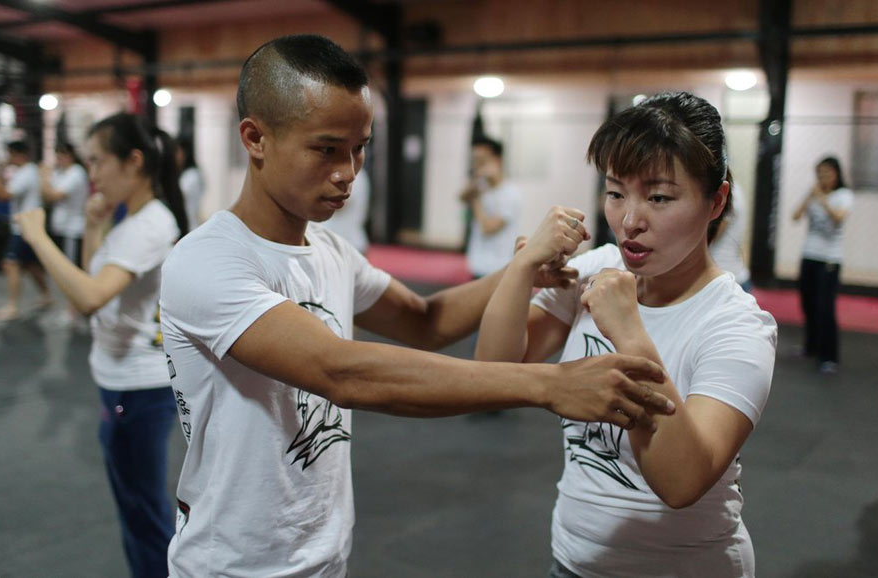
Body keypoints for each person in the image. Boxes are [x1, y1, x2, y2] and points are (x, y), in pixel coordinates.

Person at [159, 34, 675, 578]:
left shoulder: (331, 250)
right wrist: (550, 384)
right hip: (231, 565)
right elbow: (343, 373)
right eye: (327, 149)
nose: (348, 172)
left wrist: (520, 271)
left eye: (360, 149)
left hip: (321, 555)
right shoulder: (207, 263)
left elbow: (426, 322)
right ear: (255, 137)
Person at [476, 92, 777, 577]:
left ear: (715, 201)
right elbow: (493, 376)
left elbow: (681, 483)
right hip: (573, 560)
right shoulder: (596, 271)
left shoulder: (738, 326)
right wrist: (523, 266)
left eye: (659, 197)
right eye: (616, 193)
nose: (630, 221)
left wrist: (630, 334)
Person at [12, 112, 189, 578]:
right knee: (136, 513)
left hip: (140, 390)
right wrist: (95, 226)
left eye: (97, 162)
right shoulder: (131, 219)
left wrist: (37, 234)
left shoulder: (151, 223)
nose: (90, 176)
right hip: (121, 385)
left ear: (133, 162)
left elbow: (89, 299)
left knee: (146, 518)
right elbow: (92, 282)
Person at [792, 156, 853, 374]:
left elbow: (838, 218)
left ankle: (829, 357)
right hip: (809, 255)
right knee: (808, 304)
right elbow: (795, 216)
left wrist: (822, 199)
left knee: (825, 308)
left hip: (829, 259)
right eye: (820, 173)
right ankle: (811, 347)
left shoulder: (844, 196)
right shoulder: (814, 194)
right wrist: (810, 196)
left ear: (837, 174)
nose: (823, 178)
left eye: (827, 173)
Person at [0, 139, 52, 321]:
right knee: (31, 265)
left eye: (11, 154)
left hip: (24, 227)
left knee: (10, 264)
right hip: (25, 226)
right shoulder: (24, 172)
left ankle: (13, 305)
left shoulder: (27, 173)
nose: (9, 158)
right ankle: (47, 295)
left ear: (20, 155)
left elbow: (2, 195)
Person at [41, 141, 90, 325]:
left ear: (69, 155)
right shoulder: (62, 173)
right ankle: (74, 308)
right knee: (65, 271)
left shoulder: (76, 173)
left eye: (60, 156)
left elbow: (53, 195)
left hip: (74, 230)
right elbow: (47, 195)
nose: (58, 160)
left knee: (72, 272)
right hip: (63, 229)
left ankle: (74, 310)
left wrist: (44, 177)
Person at [460, 135, 521, 280]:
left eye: (482, 160)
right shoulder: (481, 186)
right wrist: (477, 184)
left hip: (498, 268)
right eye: (474, 160)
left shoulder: (510, 193)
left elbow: (488, 228)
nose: (477, 165)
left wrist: (476, 197)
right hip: (477, 264)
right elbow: (461, 197)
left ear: (497, 160)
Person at [710, 181, 752, 291]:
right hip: (727, 275)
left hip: (725, 277)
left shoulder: (728, 192)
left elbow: (710, 237)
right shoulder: (734, 189)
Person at [323, 168, 370, 252]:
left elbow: (340, 204)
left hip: (348, 243)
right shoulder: (359, 174)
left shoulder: (352, 174)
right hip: (340, 242)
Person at [176, 136, 204, 230]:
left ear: (185, 153)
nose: (175, 156)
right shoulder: (185, 174)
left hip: (189, 226)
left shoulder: (192, 176)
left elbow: (179, 193)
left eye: (177, 152)